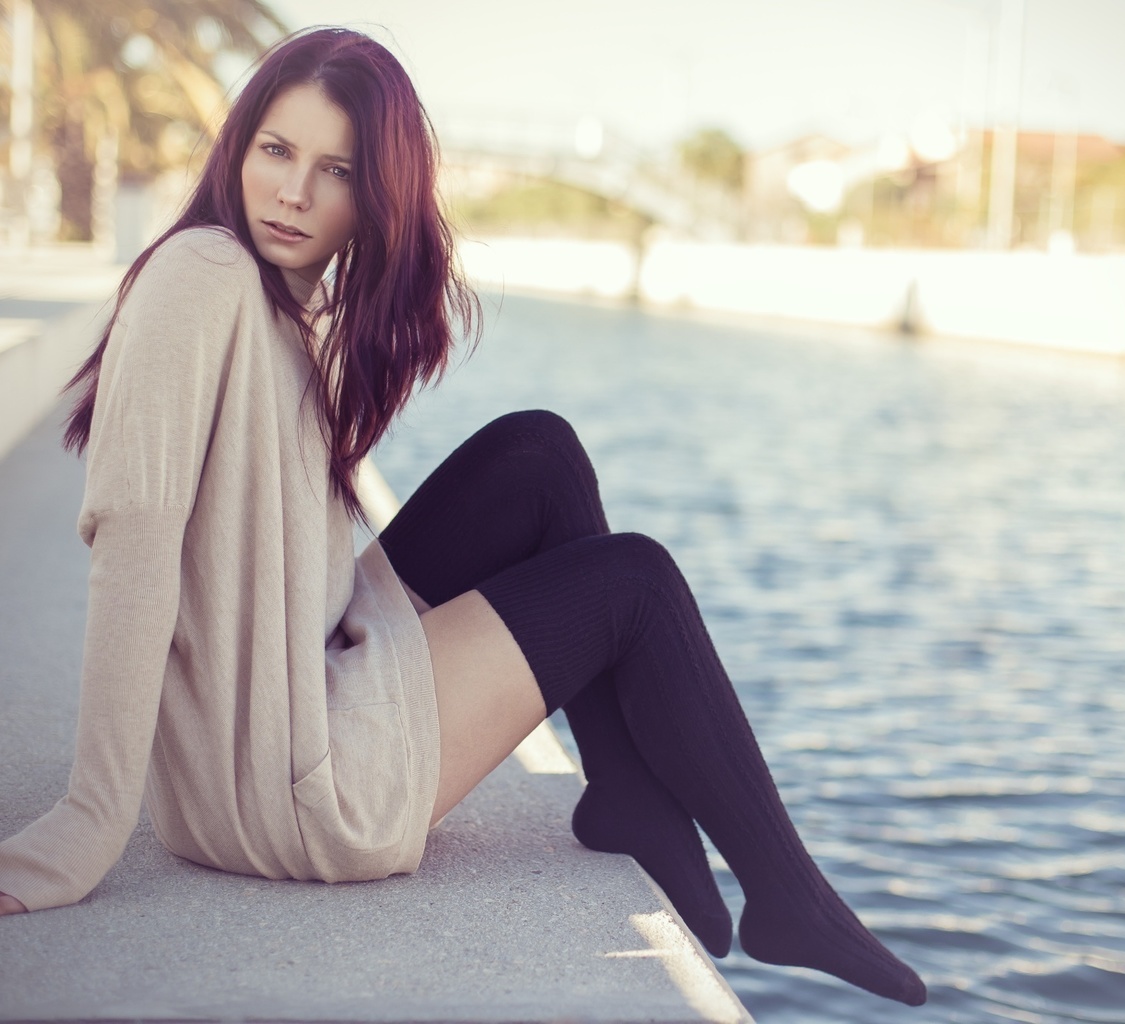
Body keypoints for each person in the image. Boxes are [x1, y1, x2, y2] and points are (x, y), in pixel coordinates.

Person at [0, 27, 926, 1008]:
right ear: (237, 146)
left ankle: (625, 795)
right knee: (634, 583)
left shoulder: (287, 308)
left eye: (335, 171)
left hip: (286, 708)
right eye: (275, 150)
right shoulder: (203, 275)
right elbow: (135, 541)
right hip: (297, 790)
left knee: (538, 455)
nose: (292, 193)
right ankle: (789, 900)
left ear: (373, 197)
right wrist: (87, 820)